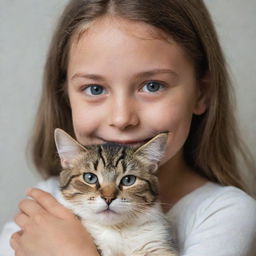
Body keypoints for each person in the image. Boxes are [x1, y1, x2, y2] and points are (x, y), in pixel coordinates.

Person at [1, 0, 256, 255]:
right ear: (65, 94)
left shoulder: (225, 212)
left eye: (153, 85)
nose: (122, 119)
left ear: (201, 93)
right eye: (95, 88)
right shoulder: (46, 200)